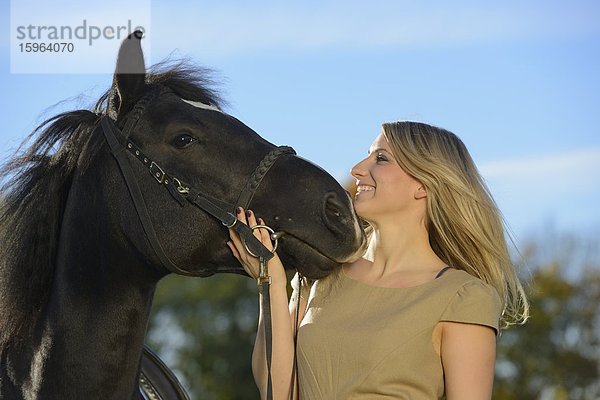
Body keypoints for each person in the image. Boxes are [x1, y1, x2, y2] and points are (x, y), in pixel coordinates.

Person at [227, 121, 529, 399]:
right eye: (367, 156)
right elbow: (277, 392)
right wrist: (270, 282)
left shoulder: (463, 296)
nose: (357, 169)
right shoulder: (320, 274)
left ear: (424, 185)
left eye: (380, 159)